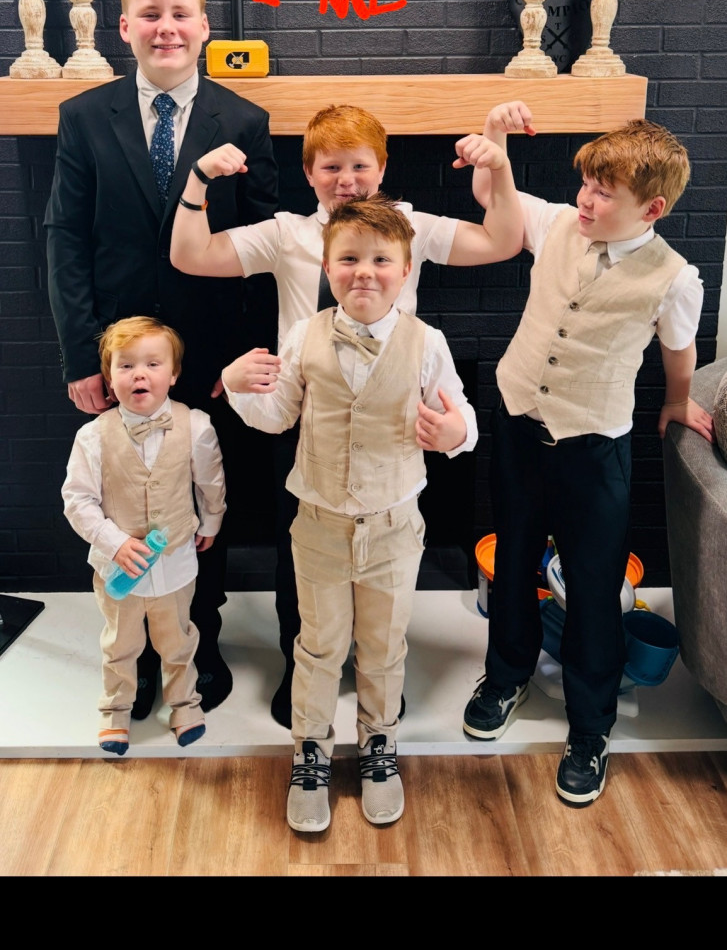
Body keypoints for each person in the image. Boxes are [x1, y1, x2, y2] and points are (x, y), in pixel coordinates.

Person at [169, 102, 524, 729]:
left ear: (381, 168)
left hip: (389, 417)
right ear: (309, 172)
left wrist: (499, 163)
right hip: (299, 411)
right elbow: (190, 256)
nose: (347, 180)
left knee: (385, 555)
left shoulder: (407, 227)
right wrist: (197, 179)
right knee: (300, 554)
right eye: (331, 167)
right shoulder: (287, 233)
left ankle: (375, 674)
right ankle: (302, 665)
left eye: (359, 166)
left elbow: (502, 241)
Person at [45, 0, 279, 720]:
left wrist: (243, 358)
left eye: (180, 14)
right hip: (121, 359)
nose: (166, 28)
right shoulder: (85, 117)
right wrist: (82, 355)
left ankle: (198, 641)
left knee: (196, 498)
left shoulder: (243, 121)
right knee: (125, 500)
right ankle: (137, 651)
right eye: (150, 15)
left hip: (209, 357)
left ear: (204, 26)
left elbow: (263, 250)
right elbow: (64, 240)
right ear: (124, 28)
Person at [460, 101, 715, 807]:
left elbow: (679, 348)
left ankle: (590, 727)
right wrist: (493, 138)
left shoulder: (675, 277)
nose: (586, 200)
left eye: (604, 193)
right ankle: (506, 675)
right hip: (518, 420)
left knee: (594, 585)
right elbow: (492, 195)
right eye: (585, 184)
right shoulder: (555, 223)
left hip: (593, 444)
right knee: (513, 556)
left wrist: (676, 400)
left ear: (651, 208)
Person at [222, 192, 478, 830]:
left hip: (394, 523)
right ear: (327, 267)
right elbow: (278, 415)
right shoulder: (303, 334)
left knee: (385, 646)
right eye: (349, 259)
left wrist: (456, 434)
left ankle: (378, 744)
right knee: (317, 645)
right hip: (318, 522)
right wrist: (235, 387)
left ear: (406, 269)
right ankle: (310, 750)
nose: (364, 272)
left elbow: (462, 413)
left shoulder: (427, 342)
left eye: (381, 260)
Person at [61, 317, 226, 757]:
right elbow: (77, 500)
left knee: (179, 641)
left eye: (153, 364)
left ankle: (185, 704)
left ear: (173, 374)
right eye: (126, 365)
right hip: (117, 571)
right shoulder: (92, 436)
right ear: (109, 378)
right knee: (120, 644)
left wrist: (210, 523)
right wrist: (114, 542)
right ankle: (115, 711)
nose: (140, 374)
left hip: (175, 563)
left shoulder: (197, 426)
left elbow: (210, 483)